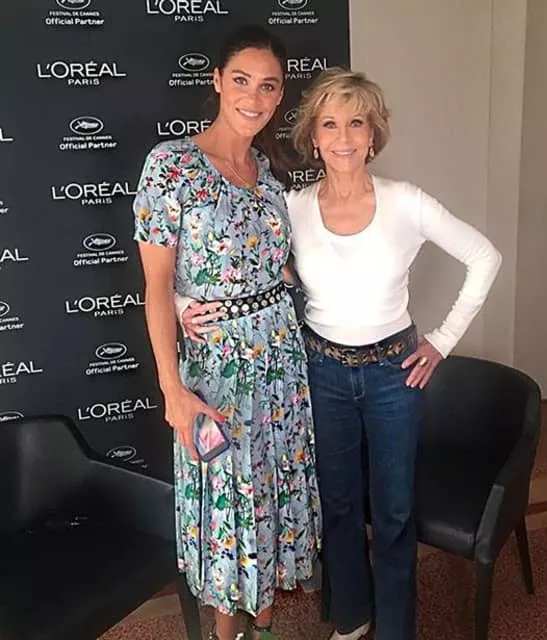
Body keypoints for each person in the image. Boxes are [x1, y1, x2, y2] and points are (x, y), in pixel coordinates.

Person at [180, 68, 502, 640]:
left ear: (373, 134)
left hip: (393, 375)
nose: (344, 137)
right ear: (314, 136)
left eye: (356, 123)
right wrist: (183, 302)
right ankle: (352, 620)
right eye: (330, 124)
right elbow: (240, 267)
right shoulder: (293, 207)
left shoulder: (407, 202)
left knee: (395, 512)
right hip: (321, 372)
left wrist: (443, 339)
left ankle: (396, 629)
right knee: (339, 506)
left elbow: (484, 257)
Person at [132, 25, 322, 640]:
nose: (253, 96)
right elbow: (157, 285)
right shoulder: (172, 167)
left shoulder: (267, 172)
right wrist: (172, 389)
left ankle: (263, 629)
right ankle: (225, 634)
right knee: (229, 501)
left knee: (272, 495)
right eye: (241, 80)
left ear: (280, 94)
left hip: (282, 364)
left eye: (268, 85)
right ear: (217, 81)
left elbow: (277, 264)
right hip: (218, 370)